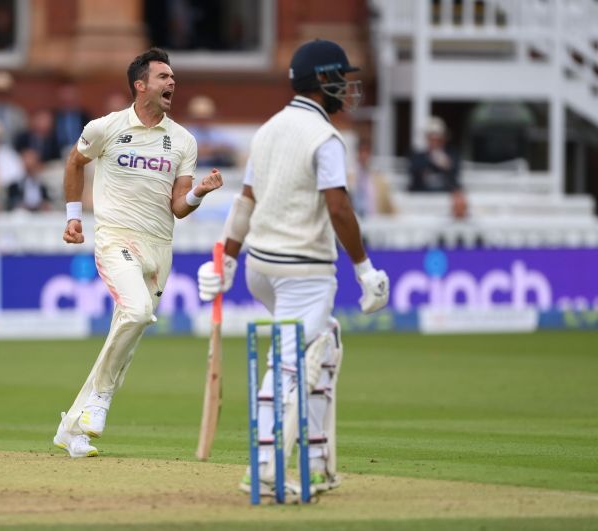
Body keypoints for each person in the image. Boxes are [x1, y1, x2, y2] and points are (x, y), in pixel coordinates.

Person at [196, 39, 390, 497]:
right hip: (303, 266)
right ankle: (263, 466)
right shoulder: (324, 138)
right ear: (324, 80)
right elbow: (339, 208)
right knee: (290, 362)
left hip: (261, 266)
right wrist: (365, 270)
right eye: (342, 77)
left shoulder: (266, 130)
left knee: (325, 344)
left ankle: (318, 463)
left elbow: (245, 202)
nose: (348, 87)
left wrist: (227, 257)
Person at [52, 47, 223, 458]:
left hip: (160, 247)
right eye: (163, 77)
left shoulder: (182, 140)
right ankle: (100, 401)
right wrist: (74, 217)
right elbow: (75, 163)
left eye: (173, 77)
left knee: (124, 338)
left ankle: (71, 429)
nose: (172, 83)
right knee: (137, 311)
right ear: (140, 85)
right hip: (116, 238)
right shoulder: (106, 128)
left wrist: (198, 192)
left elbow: (179, 207)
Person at [408, 116, 468, 219]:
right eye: (432, 138)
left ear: (443, 139)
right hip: (420, 204)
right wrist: (431, 159)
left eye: (438, 139)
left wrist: (446, 164)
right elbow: (414, 173)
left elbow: (455, 175)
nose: (435, 142)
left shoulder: (452, 155)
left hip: (446, 205)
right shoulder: (418, 156)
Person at [185, 95, 238, 167]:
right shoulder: (186, 133)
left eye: (206, 118)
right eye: (199, 118)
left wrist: (214, 149)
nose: (203, 122)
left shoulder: (216, 133)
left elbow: (232, 147)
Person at [348, 138, 395, 218]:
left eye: (367, 152)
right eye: (361, 151)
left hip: (375, 225)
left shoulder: (380, 180)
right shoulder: (348, 178)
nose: (364, 155)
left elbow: (390, 207)